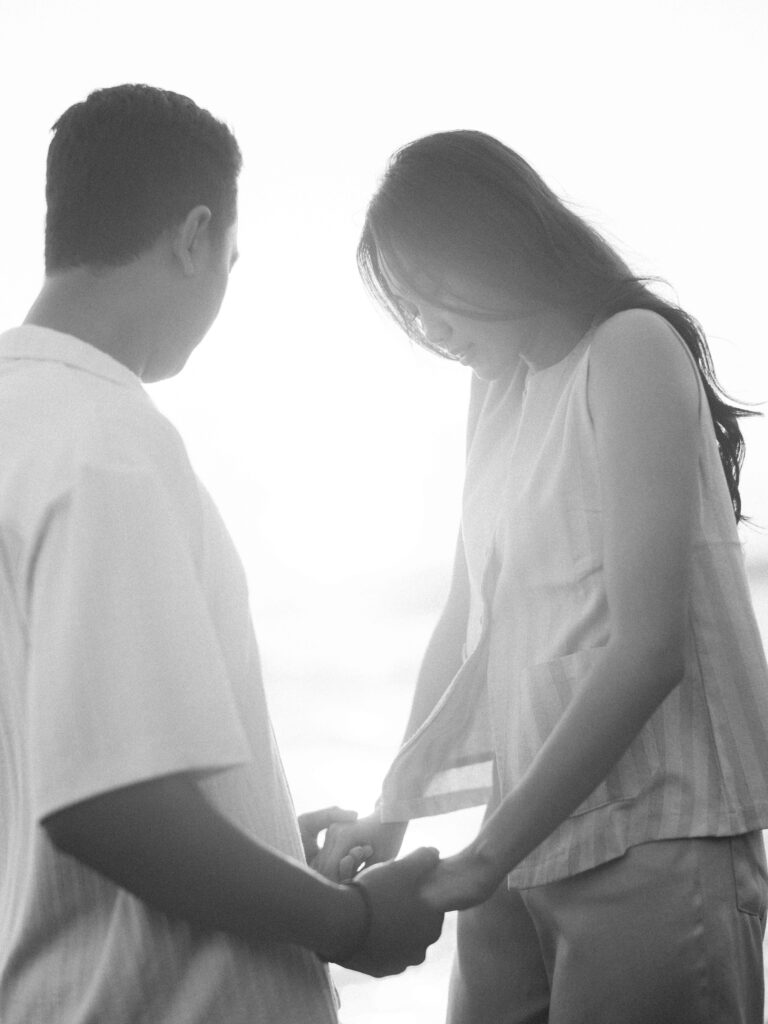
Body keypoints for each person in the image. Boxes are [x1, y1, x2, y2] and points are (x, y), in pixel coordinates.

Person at [0, 84, 443, 1024]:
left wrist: (266, 844)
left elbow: (51, 783)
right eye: (231, 261)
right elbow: (112, 807)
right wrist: (354, 921)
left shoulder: (20, 422)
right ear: (195, 237)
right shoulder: (105, 440)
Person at [315, 130, 768, 1023]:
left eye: (431, 294)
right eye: (408, 309)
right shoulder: (499, 388)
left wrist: (484, 860)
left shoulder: (629, 348)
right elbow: (465, 619)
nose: (427, 329)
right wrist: (394, 810)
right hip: (520, 843)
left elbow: (649, 650)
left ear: (492, 246)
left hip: (655, 836)